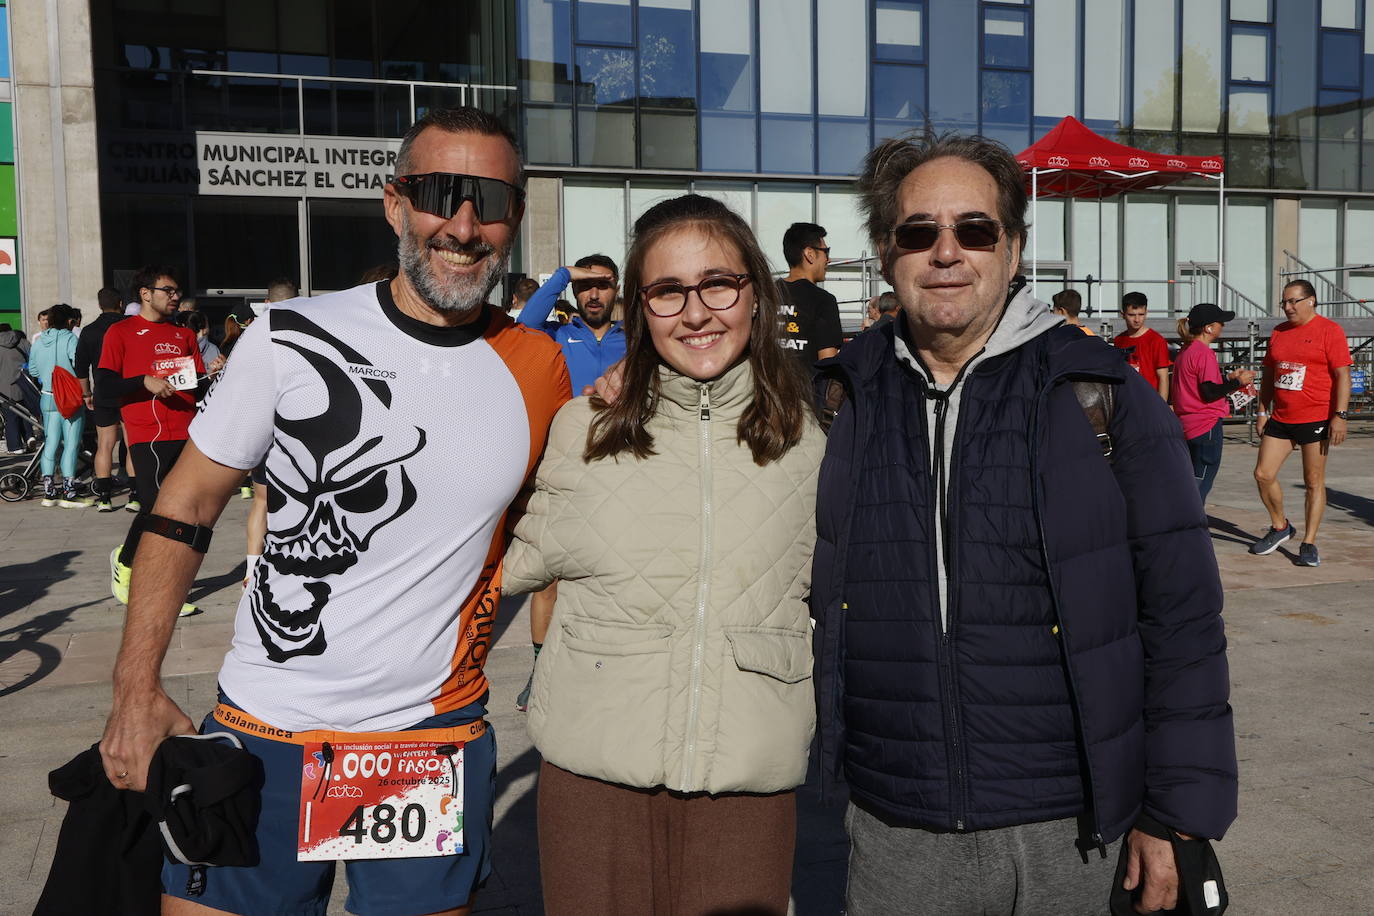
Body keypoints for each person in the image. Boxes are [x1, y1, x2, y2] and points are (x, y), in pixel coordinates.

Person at [97, 107, 569, 916]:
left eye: (487, 200)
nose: (462, 224)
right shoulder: (288, 335)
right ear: (394, 204)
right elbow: (185, 504)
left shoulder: (538, 366)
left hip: (430, 736)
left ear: (514, 218)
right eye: (438, 194)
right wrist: (134, 687)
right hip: (263, 729)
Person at [812, 132, 1237, 915]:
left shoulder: (1098, 392)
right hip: (898, 827)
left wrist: (1175, 812)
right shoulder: (841, 397)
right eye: (918, 232)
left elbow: (1181, 618)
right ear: (884, 253)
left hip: (1071, 827)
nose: (947, 252)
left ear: (1011, 251)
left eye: (975, 230)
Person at [503, 193, 822, 915]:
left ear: (756, 294)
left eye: (719, 283)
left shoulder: (812, 441)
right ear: (638, 309)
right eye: (668, 291)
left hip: (746, 779)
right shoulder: (584, 428)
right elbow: (498, 562)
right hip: (595, 777)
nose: (697, 311)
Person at [100, 267, 206, 616]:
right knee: (156, 510)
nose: (175, 296)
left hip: (186, 431)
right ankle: (128, 566)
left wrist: (216, 372)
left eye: (177, 291)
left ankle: (169, 585)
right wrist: (142, 381)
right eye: (168, 290)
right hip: (148, 433)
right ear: (145, 293)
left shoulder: (183, 335)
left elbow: (194, 386)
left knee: (186, 513)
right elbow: (105, 387)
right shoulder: (121, 332)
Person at [1248, 280, 1353, 567]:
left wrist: (1340, 416)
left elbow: (1343, 375)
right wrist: (1261, 411)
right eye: (1284, 302)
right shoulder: (1279, 332)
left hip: (1316, 417)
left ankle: (1309, 543)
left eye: (1293, 301)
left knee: (1313, 482)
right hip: (1281, 417)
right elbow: (1269, 375)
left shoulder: (1330, 331)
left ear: (1311, 301)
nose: (1288, 307)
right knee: (1262, 474)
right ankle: (1280, 526)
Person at [1171, 304, 1254, 503]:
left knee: (1190, 480)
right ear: (1209, 328)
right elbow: (1208, 393)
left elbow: (1199, 386)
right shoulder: (1204, 352)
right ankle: (1190, 525)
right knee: (1201, 481)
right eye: (1220, 323)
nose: (1222, 326)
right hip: (1205, 425)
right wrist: (1237, 382)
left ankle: (1183, 520)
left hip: (1187, 425)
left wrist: (1227, 380)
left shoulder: (1186, 351)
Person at [516, 254, 627, 393]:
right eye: (585, 286)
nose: (594, 295)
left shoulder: (634, 342)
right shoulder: (558, 336)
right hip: (571, 414)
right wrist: (565, 274)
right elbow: (526, 324)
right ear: (574, 290)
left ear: (616, 291)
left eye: (603, 286)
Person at [27, 303, 88, 507]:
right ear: (69, 321)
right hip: (69, 398)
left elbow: (33, 371)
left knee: (50, 443)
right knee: (71, 445)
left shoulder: (38, 340)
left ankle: (49, 492)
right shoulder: (70, 338)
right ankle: (69, 492)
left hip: (47, 396)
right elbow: (79, 365)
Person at [77, 287, 128, 511]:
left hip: (104, 392)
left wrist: (87, 393)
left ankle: (105, 497)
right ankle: (135, 496)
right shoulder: (129, 327)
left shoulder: (89, 331)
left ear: (100, 305)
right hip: (130, 391)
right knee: (132, 443)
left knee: (105, 445)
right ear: (121, 303)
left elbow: (80, 368)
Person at [777, 221, 843, 368]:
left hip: (764, 389)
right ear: (810, 254)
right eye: (826, 252)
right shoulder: (824, 300)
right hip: (807, 390)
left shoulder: (765, 294)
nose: (828, 259)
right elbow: (827, 364)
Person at [1112, 291, 1170, 399]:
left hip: (1149, 401)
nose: (1137, 319)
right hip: (1126, 401)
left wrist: (1161, 409)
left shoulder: (1156, 340)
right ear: (1123, 314)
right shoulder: (1119, 340)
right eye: (1132, 315)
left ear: (1146, 312)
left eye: (1141, 314)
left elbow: (1163, 377)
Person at [0, 322, 33, 454]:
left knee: (11, 417)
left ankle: (15, 447)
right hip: (25, 384)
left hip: (4, 388)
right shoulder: (23, 342)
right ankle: (29, 437)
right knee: (26, 413)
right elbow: (34, 360)